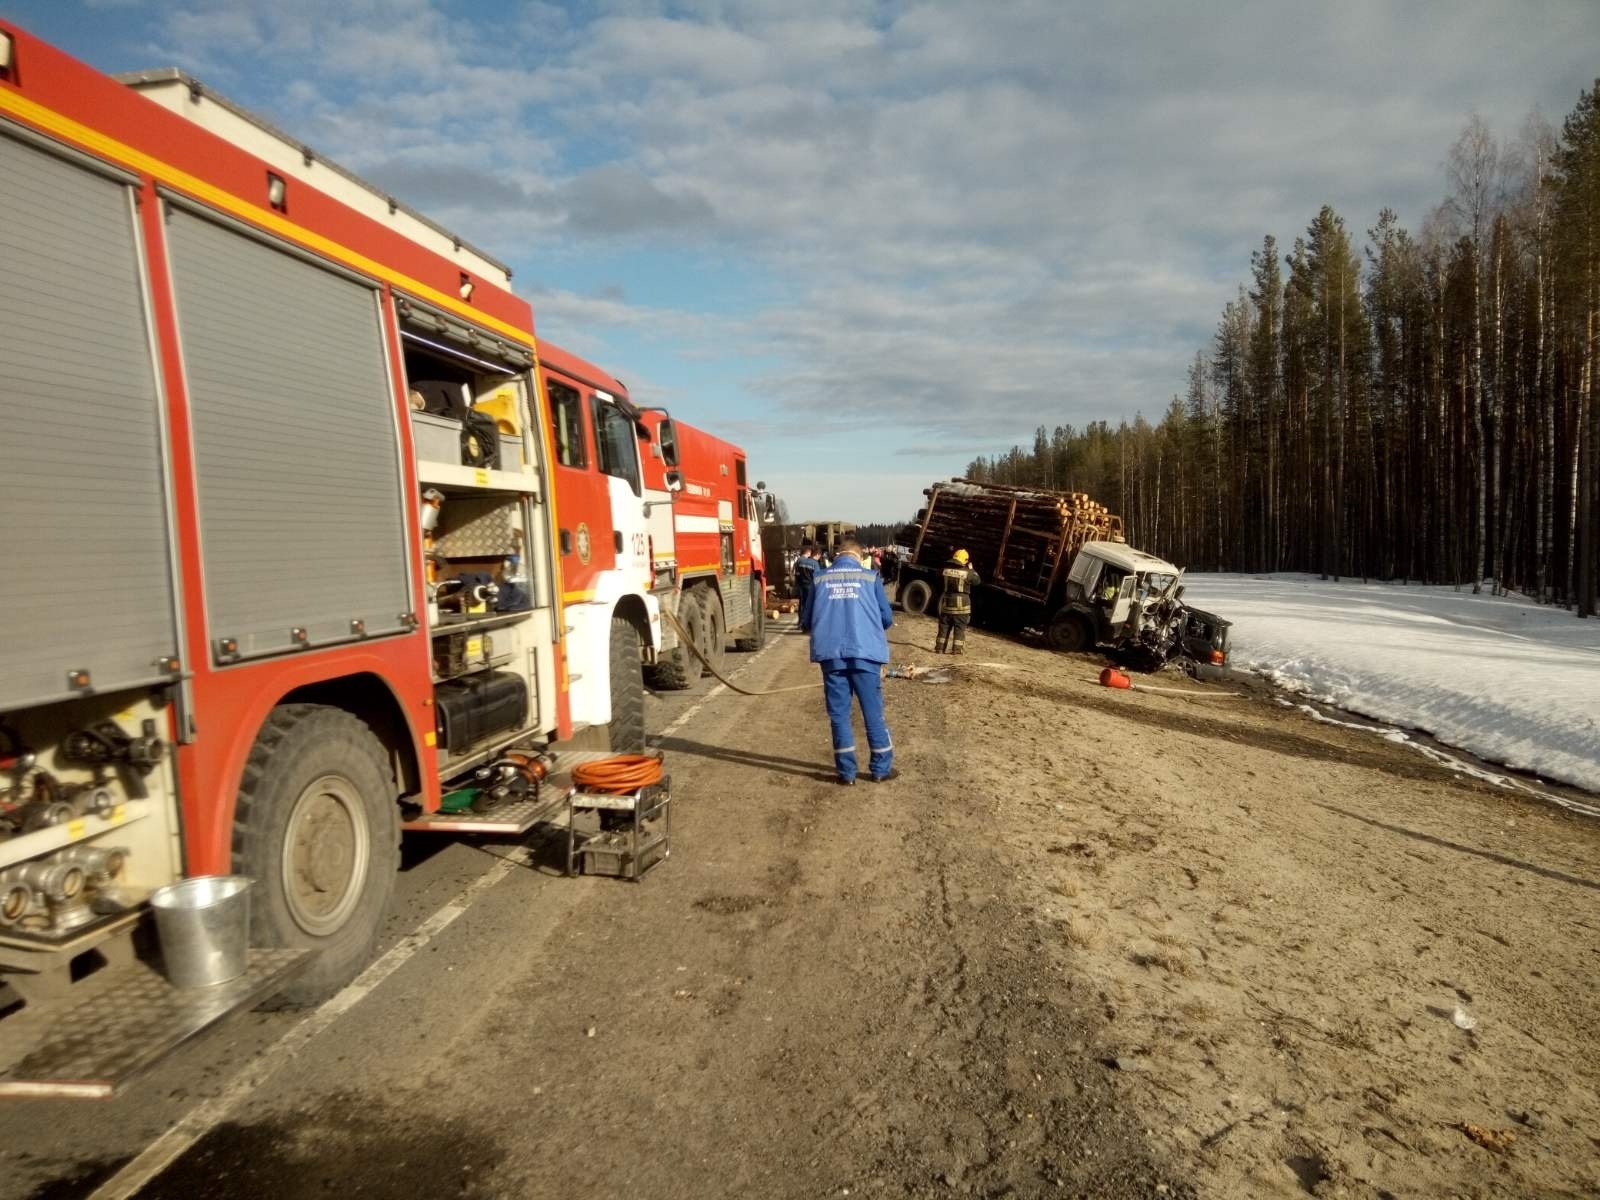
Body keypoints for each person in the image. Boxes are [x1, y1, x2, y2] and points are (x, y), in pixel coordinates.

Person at [800, 539, 896, 786]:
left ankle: (846, 774)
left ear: (837, 555)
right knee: (872, 713)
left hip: (832, 657)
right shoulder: (871, 578)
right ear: (858, 555)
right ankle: (880, 769)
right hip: (866, 655)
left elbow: (807, 619)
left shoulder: (819, 579)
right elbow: (886, 617)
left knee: (839, 716)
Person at [935, 548, 980, 655]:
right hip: (962, 607)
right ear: (965, 561)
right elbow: (977, 581)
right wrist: (972, 569)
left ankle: (940, 649)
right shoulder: (968, 573)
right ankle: (956, 650)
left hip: (947, 604)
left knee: (944, 627)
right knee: (959, 628)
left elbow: (937, 575)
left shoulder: (944, 570)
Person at [792, 543, 819, 607]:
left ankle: (802, 615)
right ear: (808, 552)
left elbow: (797, 574)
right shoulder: (805, 561)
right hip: (808, 584)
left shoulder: (799, 560)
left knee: (802, 603)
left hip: (801, 585)